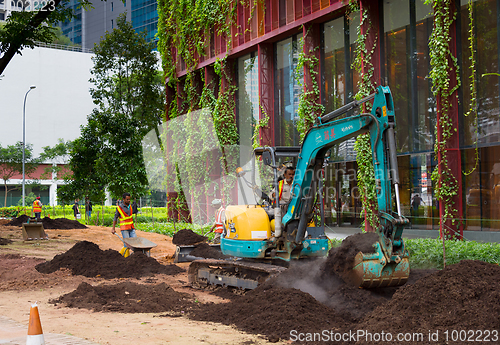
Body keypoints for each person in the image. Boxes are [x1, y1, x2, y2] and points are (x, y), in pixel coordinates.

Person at [112, 192, 136, 257]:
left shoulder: (130, 206)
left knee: (135, 243)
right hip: (124, 229)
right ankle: (126, 258)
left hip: (131, 228)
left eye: (129, 199)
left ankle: (120, 254)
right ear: (123, 199)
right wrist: (113, 228)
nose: (129, 201)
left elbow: (130, 217)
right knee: (127, 245)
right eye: (127, 199)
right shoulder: (119, 208)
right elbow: (115, 218)